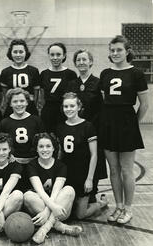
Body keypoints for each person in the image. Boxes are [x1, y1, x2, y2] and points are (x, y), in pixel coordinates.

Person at [99, 35, 148, 224]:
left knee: (127, 170)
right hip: (108, 122)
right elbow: (104, 99)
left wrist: (133, 123)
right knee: (113, 169)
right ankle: (118, 206)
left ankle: (128, 209)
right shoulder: (105, 73)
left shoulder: (136, 73)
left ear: (127, 51)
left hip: (127, 122)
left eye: (119, 50)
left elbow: (144, 104)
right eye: (112, 50)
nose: (115, 53)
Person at [56, 92, 108, 220]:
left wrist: (89, 178)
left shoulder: (88, 126)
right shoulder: (60, 127)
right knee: (66, 211)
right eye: (66, 106)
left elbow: (94, 155)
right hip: (68, 173)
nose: (69, 109)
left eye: (72, 106)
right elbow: (60, 154)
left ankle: (101, 203)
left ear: (79, 107)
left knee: (80, 215)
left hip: (83, 174)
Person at [24, 133, 82, 244]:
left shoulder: (61, 166)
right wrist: (48, 209)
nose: (44, 149)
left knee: (69, 190)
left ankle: (44, 229)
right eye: (41, 146)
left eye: (48, 146)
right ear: (36, 149)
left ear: (53, 148)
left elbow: (55, 192)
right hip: (41, 209)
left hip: (59, 209)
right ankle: (62, 227)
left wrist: (48, 210)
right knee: (27, 196)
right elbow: (40, 191)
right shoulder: (32, 165)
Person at [66, 49, 107, 203]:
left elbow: (103, 108)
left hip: (93, 129)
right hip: (75, 129)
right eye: (78, 60)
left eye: (84, 59)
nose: (81, 62)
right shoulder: (71, 84)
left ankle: (92, 192)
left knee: (93, 158)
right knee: (77, 159)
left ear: (91, 62)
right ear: (75, 63)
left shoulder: (98, 83)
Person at [0, 88, 44, 191]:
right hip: (13, 166)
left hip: (34, 166)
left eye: (22, 101)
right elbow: (2, 145)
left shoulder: (36, 120)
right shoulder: (5, 123)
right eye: (15, 101)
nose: (19, 104)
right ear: (10, 104)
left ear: (27, 102)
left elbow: (42, 142)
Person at [40, 42, 77, 133]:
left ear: (64, 56)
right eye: (52, 55)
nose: (55, 58)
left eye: (58, 54)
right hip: (48, 111)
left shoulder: (70, 74)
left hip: (65, 110)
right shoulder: (44, 74)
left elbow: (74, 97)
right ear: (48, 56)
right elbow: (41, 97)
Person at [1, 39, 40, 117]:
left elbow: (36, 95)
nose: (18, 55)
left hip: (29, 108)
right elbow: (5, 96)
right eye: (15, 52)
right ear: (10, 53)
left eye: (21, 52)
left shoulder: (33, 71)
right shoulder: (5, 72)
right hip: (12, 109)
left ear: (26, 53)